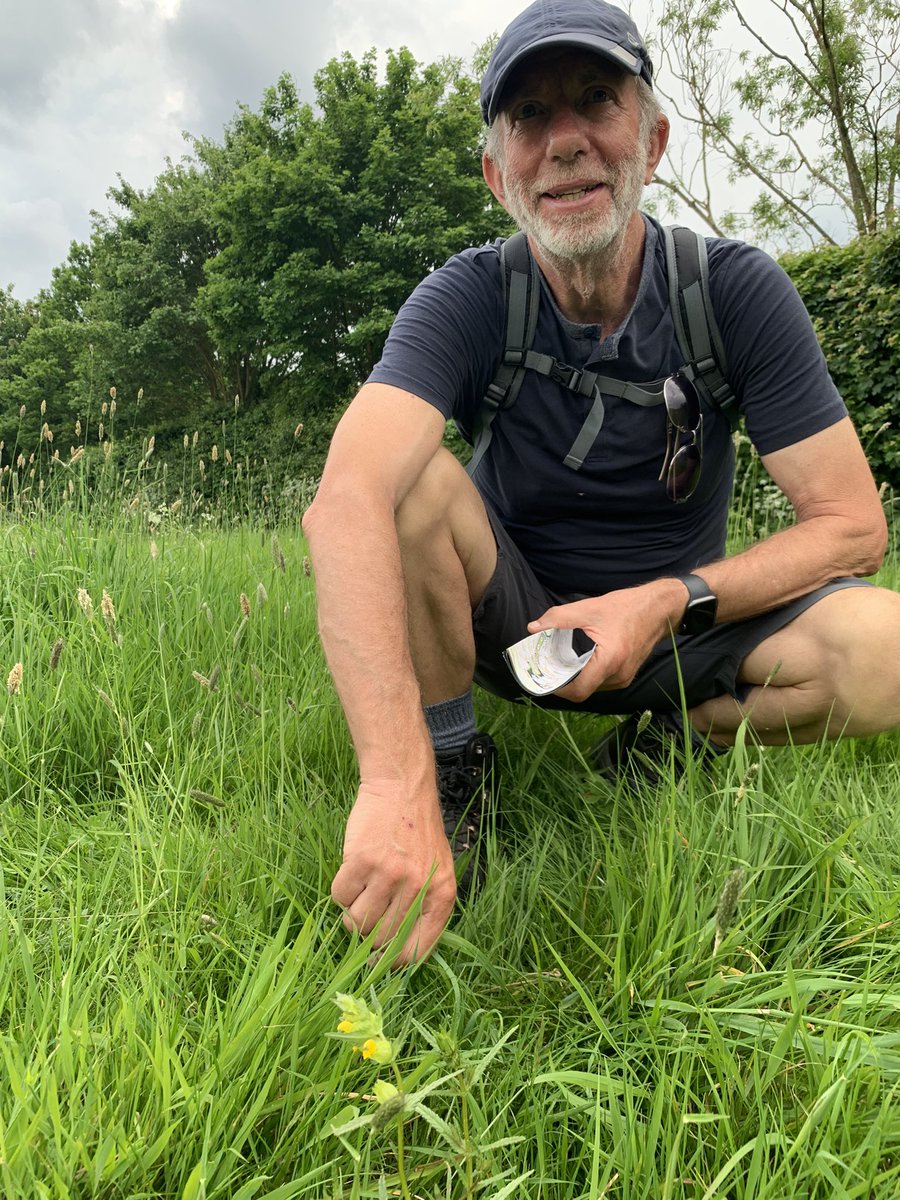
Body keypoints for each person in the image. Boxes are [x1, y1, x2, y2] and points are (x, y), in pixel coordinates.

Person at [302, 0, 900, 966]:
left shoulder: (736, 291)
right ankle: (456, 761)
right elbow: (345, 501)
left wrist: (666, 602)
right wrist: (393, 778)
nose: (567, 141)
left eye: (596, 101)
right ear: (499, 174)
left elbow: (851, 527)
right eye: (530, 118)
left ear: (652, 140)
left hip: (680, 629)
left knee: (892, 650)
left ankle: (679, 738)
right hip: (517, 627)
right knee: (406, 487)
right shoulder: (466, 297)